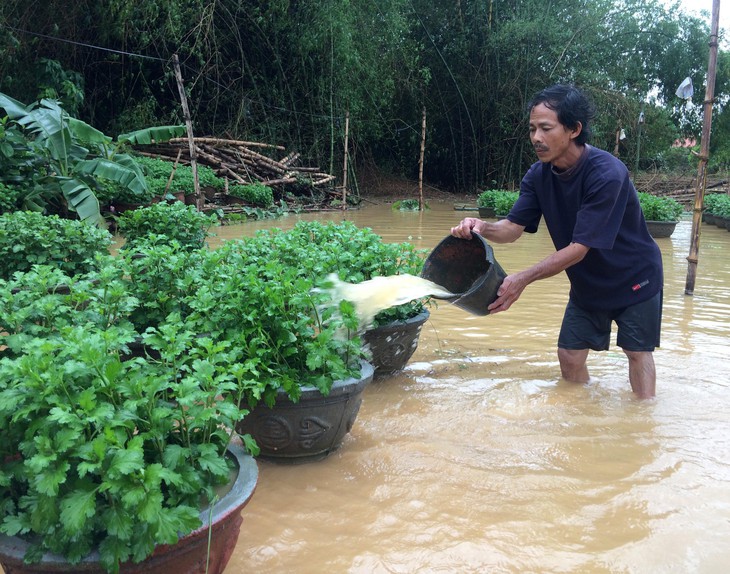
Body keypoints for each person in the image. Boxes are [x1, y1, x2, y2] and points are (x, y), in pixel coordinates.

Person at [451, 84, 663, 399]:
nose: (536, 138)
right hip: (588, 283)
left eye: (546, 128)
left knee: (636, 352)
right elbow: (513, 228)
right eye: (532, 129)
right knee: (569, 355)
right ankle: (581, 415)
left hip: (635, 278)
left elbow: (579, 248)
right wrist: (482, 227)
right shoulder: (538, 176)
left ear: (574, 129)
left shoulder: (607, 173)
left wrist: (522, 278)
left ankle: (644, 424)